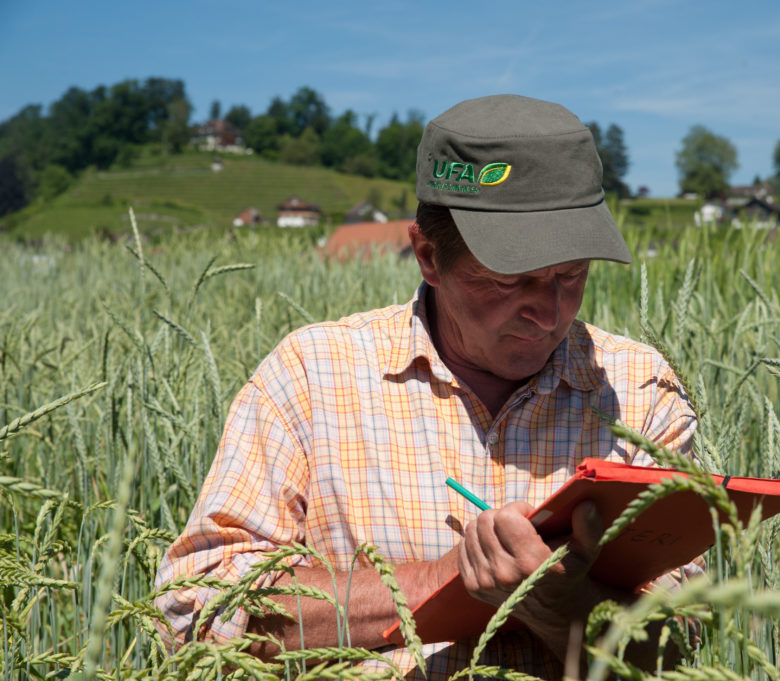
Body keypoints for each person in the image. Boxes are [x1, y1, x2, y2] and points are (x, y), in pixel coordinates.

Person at [154, 94, 699, 679]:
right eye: (508, 282)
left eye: (571, 275)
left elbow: (682, 642)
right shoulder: (312, 375)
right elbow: (195, 613)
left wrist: (563, 606)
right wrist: (442, 583)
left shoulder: (639, 391)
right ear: (428, 256)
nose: (547, 312)